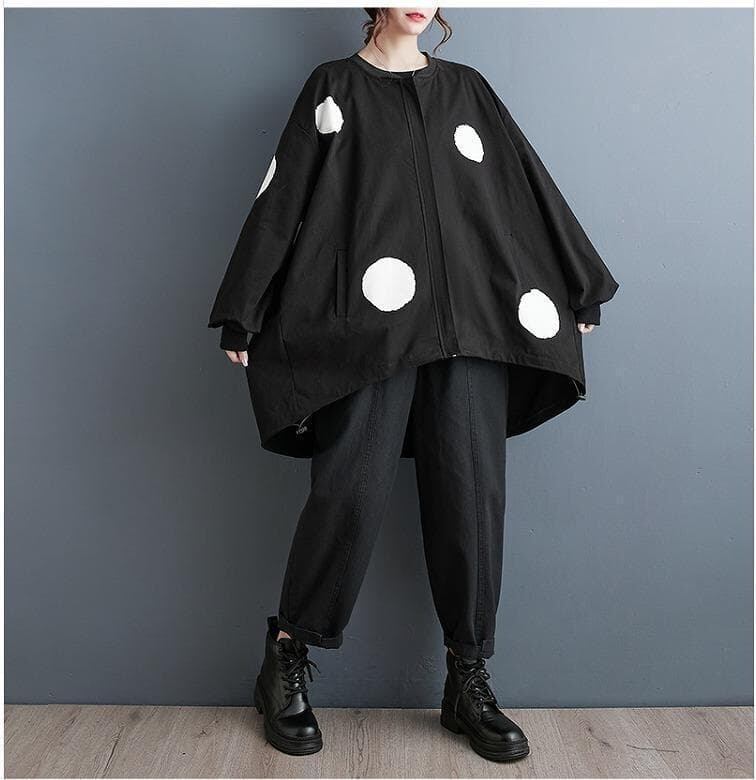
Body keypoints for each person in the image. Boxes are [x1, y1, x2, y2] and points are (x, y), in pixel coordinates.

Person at [208, 7, 619, 762]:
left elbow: (525, 186)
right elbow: (284, 195)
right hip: (370, 330)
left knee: (472, 495)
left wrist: (578, 282)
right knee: (349, 491)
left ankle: (468, 679)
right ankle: (286, 657)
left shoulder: (469, 90)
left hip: (474, 327)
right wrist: (245, 307)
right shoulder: (334, 87)